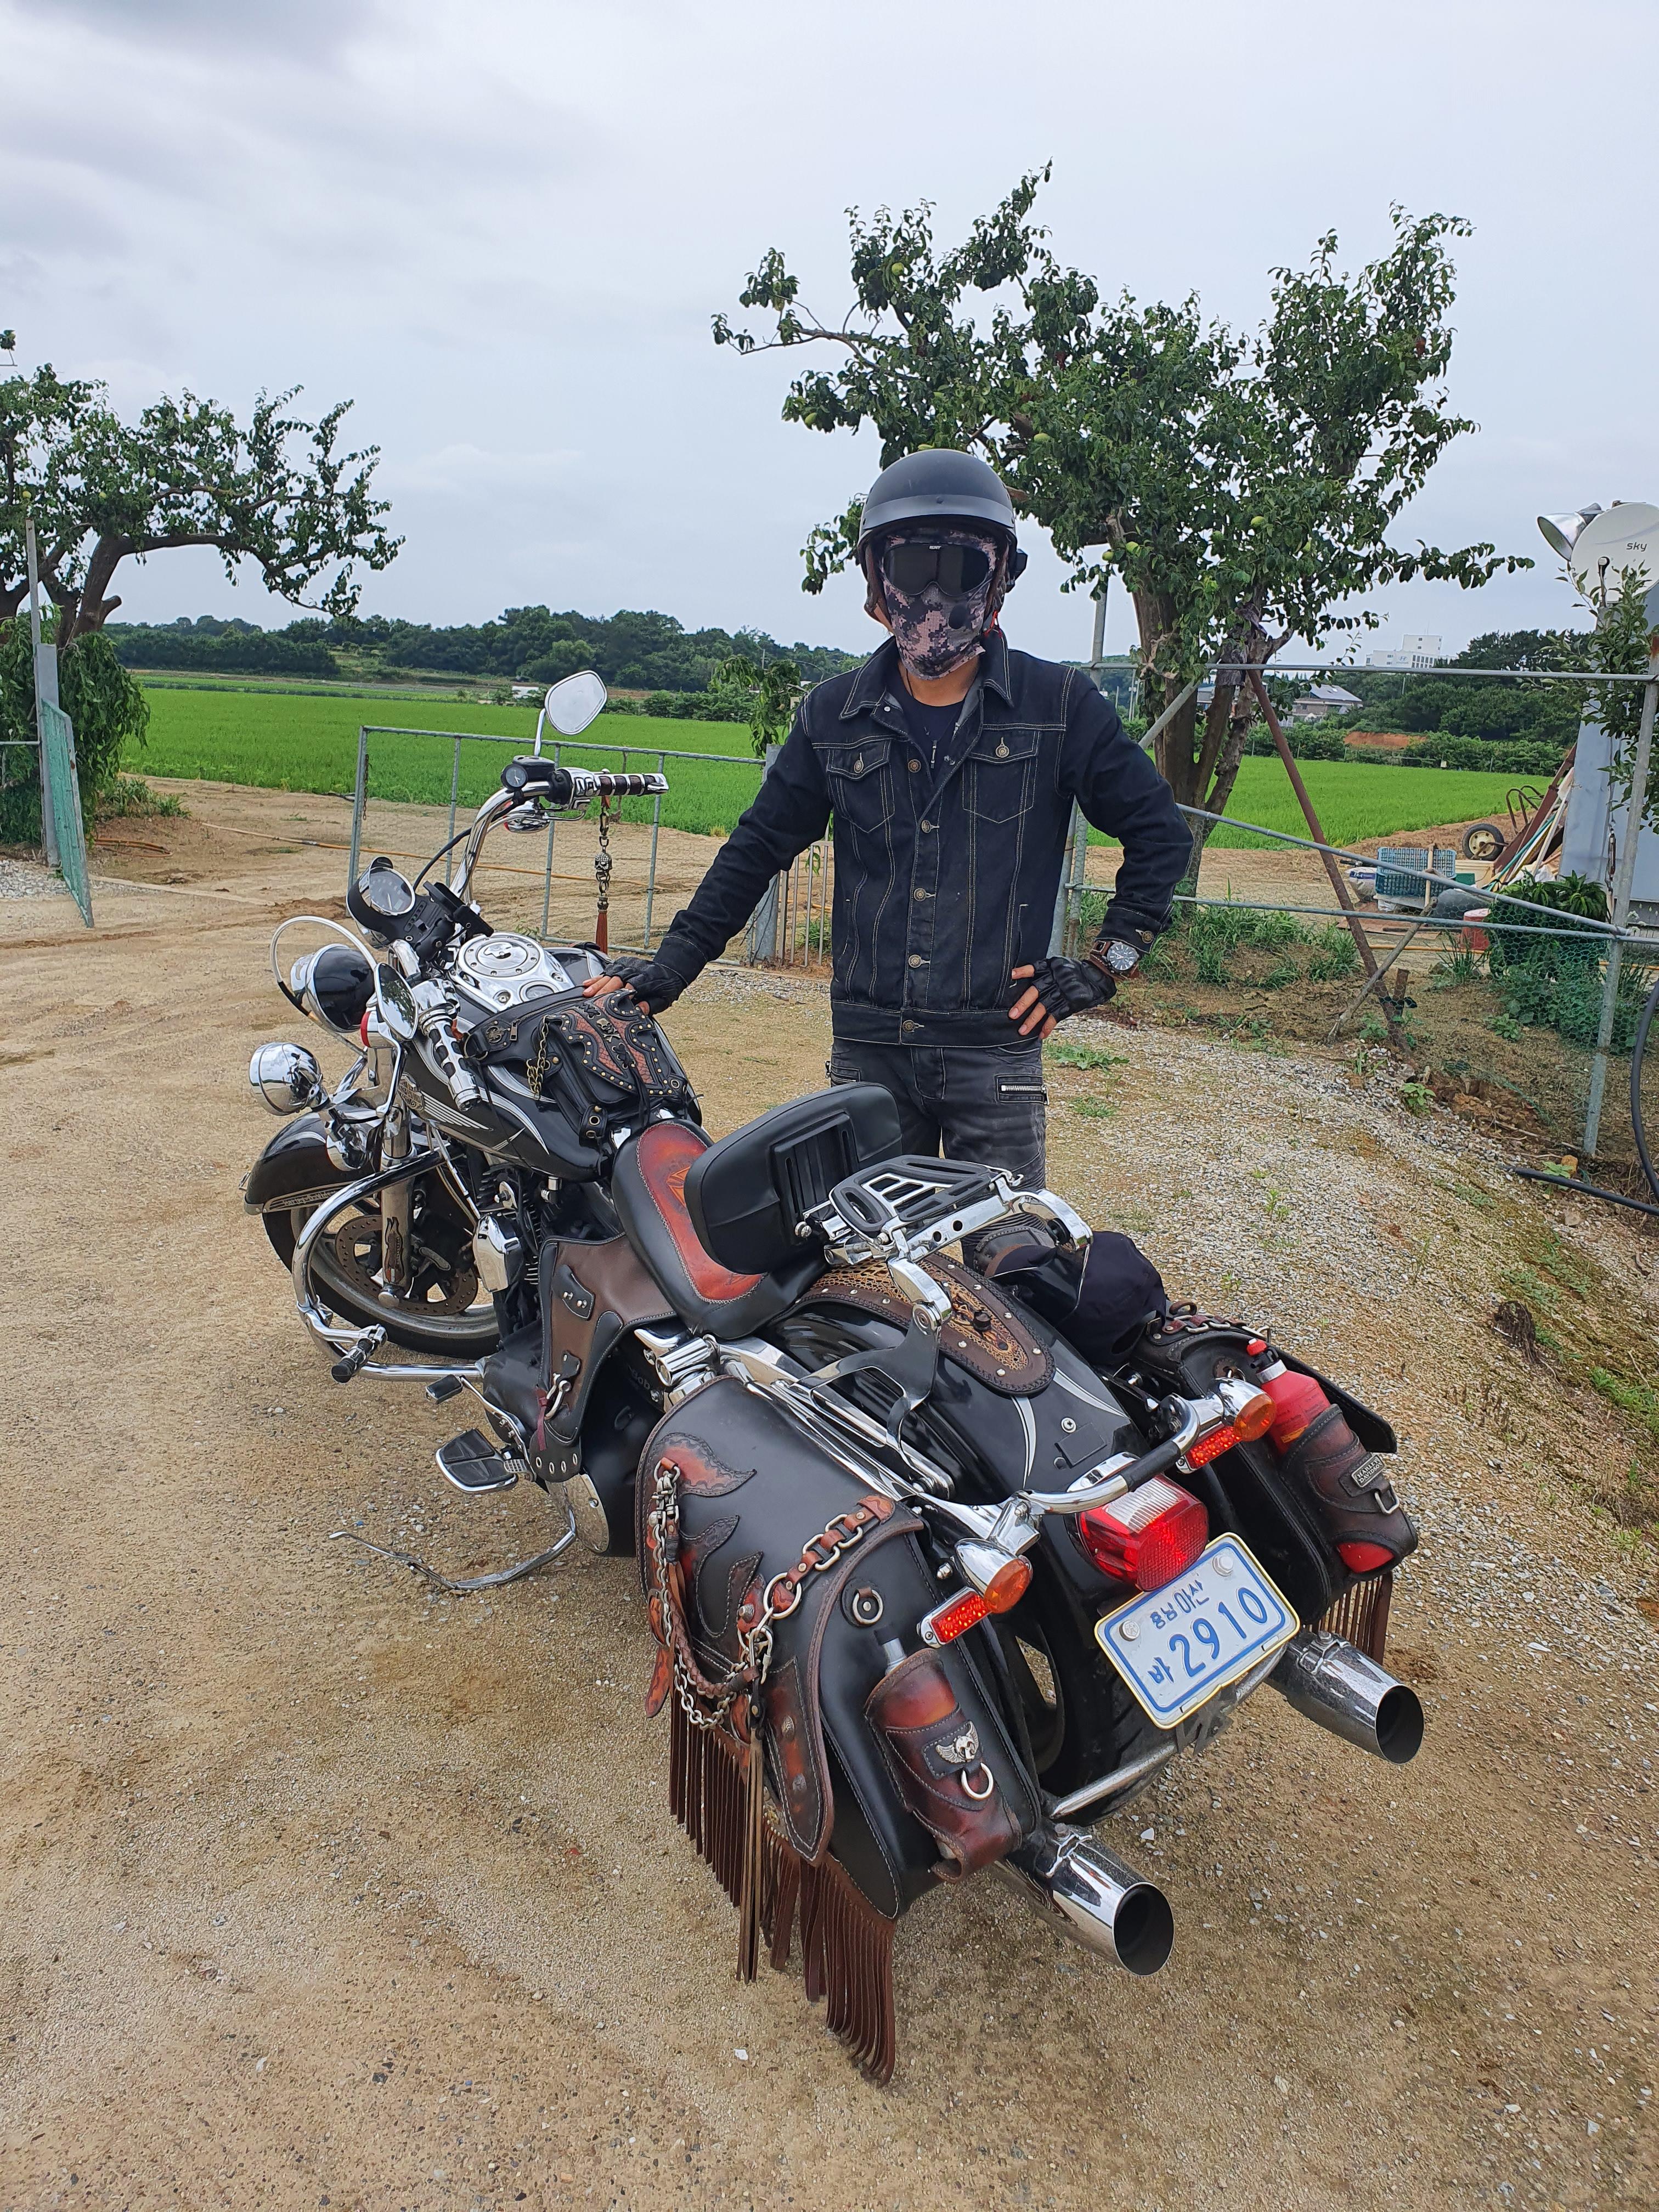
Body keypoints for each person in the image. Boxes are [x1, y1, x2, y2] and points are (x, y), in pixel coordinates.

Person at [585, 448, 1191, 1206]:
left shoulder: (1059, 706)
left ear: (999, 579)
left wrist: (1104, 966)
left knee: (1009, 1256)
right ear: (877, 584)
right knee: (866, 1255)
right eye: (911, 566)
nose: (934, 596)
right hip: (869, 1055)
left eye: (959, 568)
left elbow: (1161, 834)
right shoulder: (833, 715)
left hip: (992, 1058)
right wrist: (671, 966)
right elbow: (758, 848)